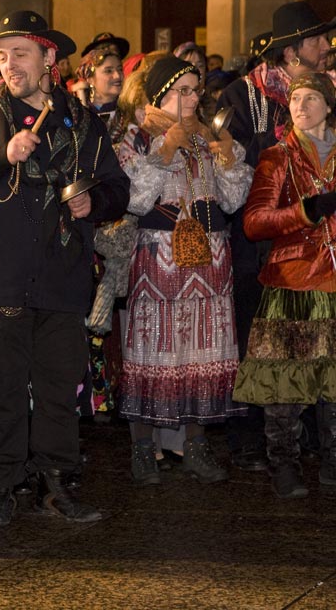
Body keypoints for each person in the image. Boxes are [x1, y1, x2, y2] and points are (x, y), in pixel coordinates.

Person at [0, 11, 130, 527]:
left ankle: (56, 483)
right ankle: (0, 486)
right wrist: (2, 154)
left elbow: (117, 188)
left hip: (64, 270)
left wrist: (97, 203)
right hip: (2, 270)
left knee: (57, 387)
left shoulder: (82, 121)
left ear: (49, 58)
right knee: (1, 385)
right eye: (1, 55)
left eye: (20, 53)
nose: (8, 63)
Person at [119, 56, 252, 486]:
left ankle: (195, 445)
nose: (194, 98)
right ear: (159, 95)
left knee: (204, 351)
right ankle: (142, 449)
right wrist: (164, 150)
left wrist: (229, 158)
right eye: (184, 90)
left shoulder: (208, 136)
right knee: (153, 349)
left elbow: (232, 201)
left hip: (211, 256)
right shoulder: (136, 138)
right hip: (160, 256)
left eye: (196, 90)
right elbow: (135, 201)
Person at [217, 3, 336, 473]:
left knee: (323, 363)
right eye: (317, 40)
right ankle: (259, 446)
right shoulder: (242, 95)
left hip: (324, 265)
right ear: (292, 52)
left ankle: (320, 448)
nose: (326, 47)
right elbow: (238, 173)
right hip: (269, 255)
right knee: (271, 360)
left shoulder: (327, 95)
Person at [236, 72, 336, 499]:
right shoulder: (278, 157)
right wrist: (307, 211)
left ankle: (332, 462)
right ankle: (285, 463)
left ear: (328, 106)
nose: (301, 105)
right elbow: (254, 223)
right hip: (292, 282)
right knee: (284, 385)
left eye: (312, 98)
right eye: (296, 98)